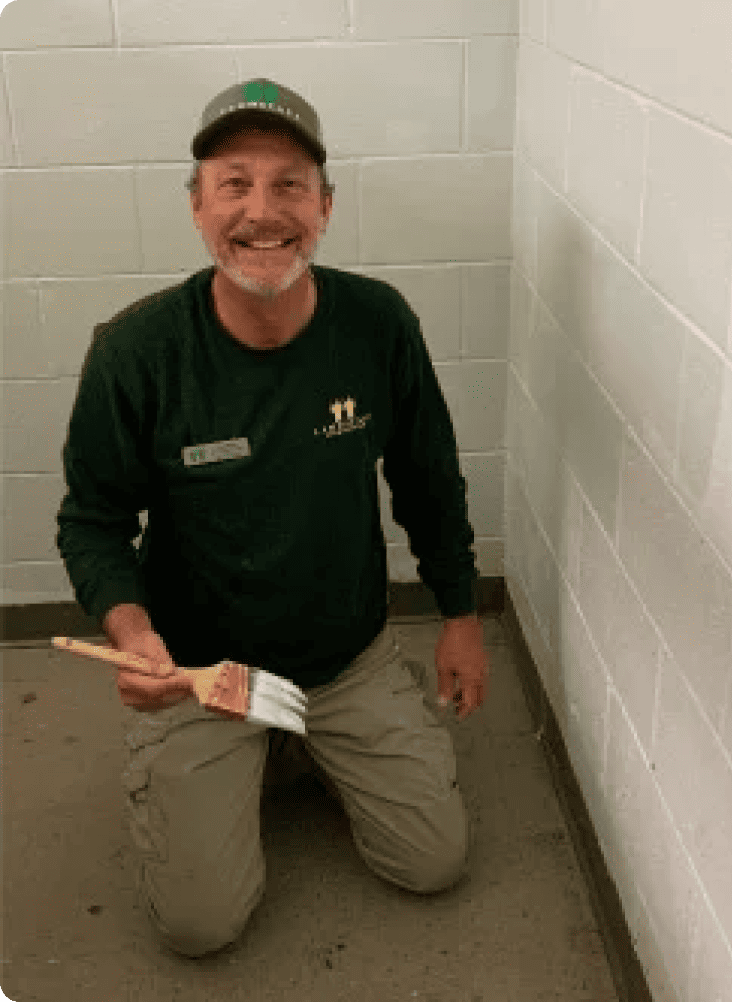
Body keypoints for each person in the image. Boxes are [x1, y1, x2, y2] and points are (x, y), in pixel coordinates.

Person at [56, 77, 488, 959]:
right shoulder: (137, 352)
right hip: (205, 674)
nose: (263, 211)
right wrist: (133, 633)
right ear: (196, 207)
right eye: (234, 184)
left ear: (326, 206)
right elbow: (93, 519)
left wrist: (460, 615)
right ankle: (254, 751)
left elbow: (428, 479)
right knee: (200, 928)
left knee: (434, 862)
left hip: (346, 654)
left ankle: (310, 738)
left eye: (289, 183)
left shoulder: (378, 324)